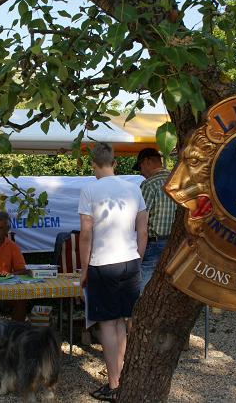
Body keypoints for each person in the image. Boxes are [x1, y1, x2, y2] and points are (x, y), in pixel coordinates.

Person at [78, 142, 148, 402]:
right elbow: (143, 230)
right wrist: (138, 257)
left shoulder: (89, 190)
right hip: (130, 261)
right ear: (115, 163)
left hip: (102, 263)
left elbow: (86, 234)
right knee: (122, 321)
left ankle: (114, 383)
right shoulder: (133, 188)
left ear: (93, 164)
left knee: (108, 324)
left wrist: (84, 269)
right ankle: (121, 377)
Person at [133, 148, 177, 292]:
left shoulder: (149, 184)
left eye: (140, 167)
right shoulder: (176, 180)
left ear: (147, 162)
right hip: (176, 243)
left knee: (144, 286)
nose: (141, 173)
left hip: (154, 244)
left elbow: (141, 223)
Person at [0, 211, 28, 322]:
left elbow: (22, 270)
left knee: (21, 299)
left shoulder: (12, 246)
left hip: (5, 290)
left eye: (0, 228)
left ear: (7, 230)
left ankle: (16, 330)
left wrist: (8, 275)